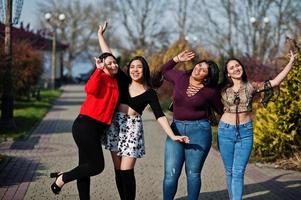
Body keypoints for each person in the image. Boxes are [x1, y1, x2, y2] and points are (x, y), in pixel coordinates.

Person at [98, 22, 190, 200]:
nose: (135, 70)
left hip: (132, 130)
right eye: (132, 67)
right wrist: (100, 36)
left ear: (144, 69)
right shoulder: (123, 80)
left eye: (138, 67)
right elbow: (109, 57)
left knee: (126, 170)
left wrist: (173, 136)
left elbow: (160, 116)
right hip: (115, 125)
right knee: (118, 170)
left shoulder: (149, 93)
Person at [218, 51, 297, 200]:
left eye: (238, 65)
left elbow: (274, 82)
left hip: (245, 132)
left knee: (239, 171)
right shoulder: (221, 89)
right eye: (232, 67)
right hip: (225, 132)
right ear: (228, 73)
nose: (236, 68)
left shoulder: (252, 86)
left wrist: (291, 62)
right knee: (230, 171)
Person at [50, 51, 120, 200]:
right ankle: (63, 178)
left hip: (94, 129)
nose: (113, 65)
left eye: (115, 62)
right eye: (110, 63)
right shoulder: (100, 76)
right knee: (96, 166)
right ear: (103, 66)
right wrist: (98, 70)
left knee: (84, 168)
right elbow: (90, 89)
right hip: (85, 126)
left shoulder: (115, 80)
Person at [161, 50, 223, 200]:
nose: (198, 69)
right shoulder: (181, 77)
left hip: (199, 132)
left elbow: (221, 110)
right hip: (175, 129)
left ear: (208, 77)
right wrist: (177, 58)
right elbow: (164, 71)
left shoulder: (210, 92)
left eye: (203, 70)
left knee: (193, 173)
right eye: (198, 66)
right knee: (170, 173)